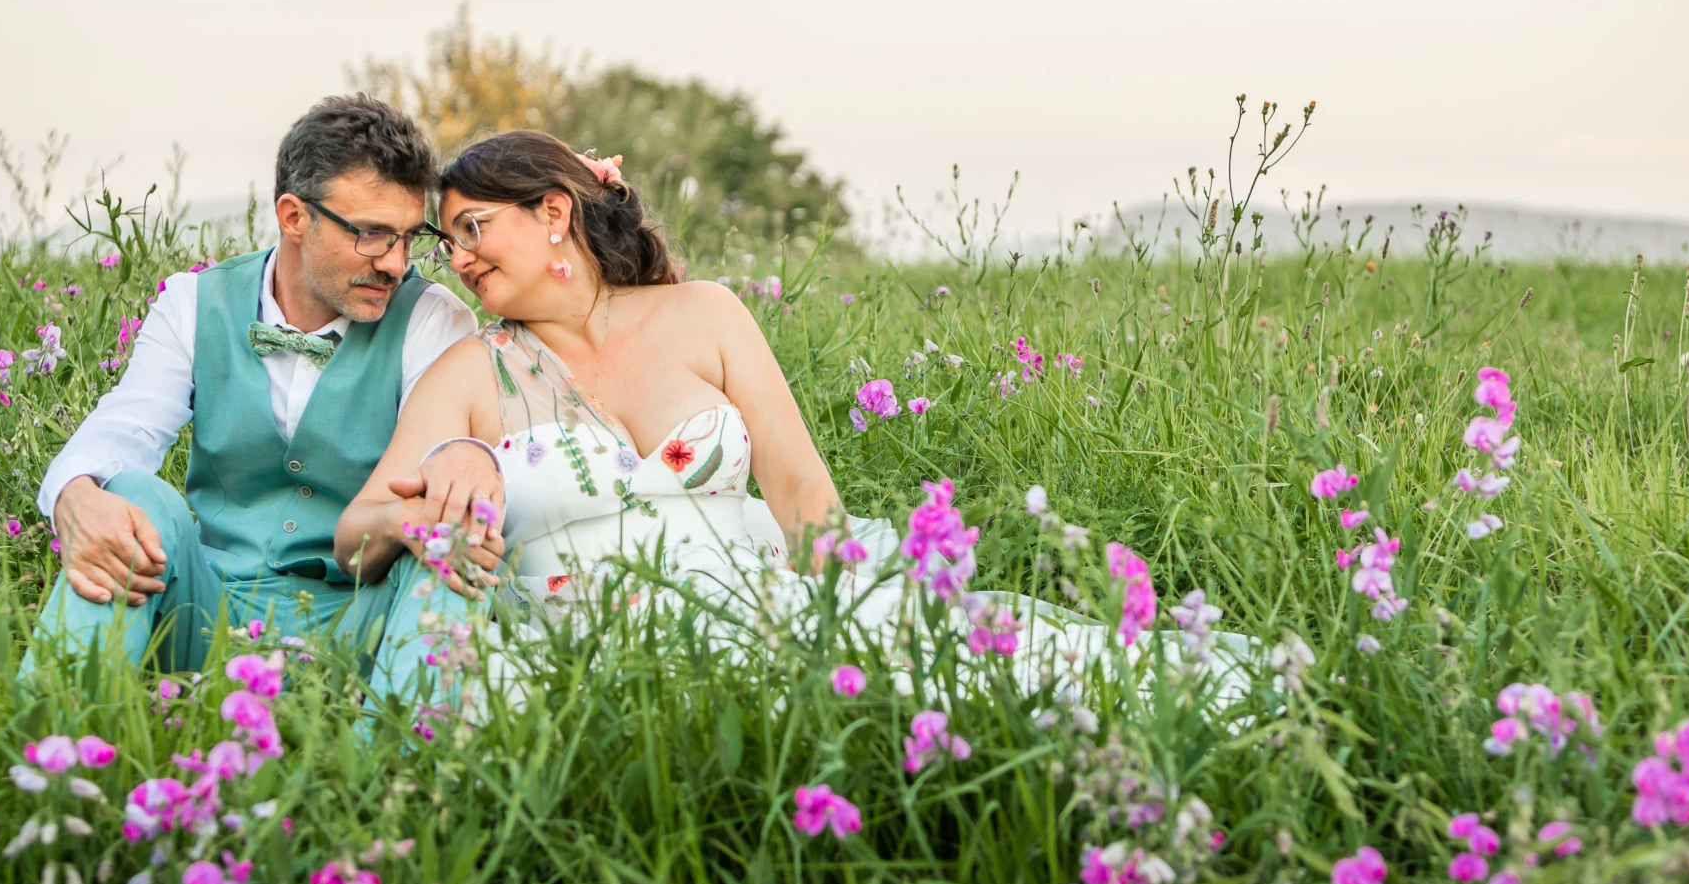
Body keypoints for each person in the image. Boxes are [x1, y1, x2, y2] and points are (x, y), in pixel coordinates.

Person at [337, 130, 1252, 706]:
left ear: (553, 214)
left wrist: (831, 629)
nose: (455, 259)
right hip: (598, 661)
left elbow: (807, 504)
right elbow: (355, 535)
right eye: (445, 239)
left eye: (471, 228)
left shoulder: (706, 315)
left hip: (769, 607)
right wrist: (429, 513)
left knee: (1017, 685)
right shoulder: (472, 371)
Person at [30, 95, 492, 696]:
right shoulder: (193, 303)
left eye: (409, 237)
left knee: (453, 546)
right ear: (294, 216)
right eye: (373, 235)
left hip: (363, 629)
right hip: (206, 617)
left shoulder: (434, 321)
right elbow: (128, 427)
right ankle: (49, 748)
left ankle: (399, 772)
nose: (397, 265)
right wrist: (73, 493)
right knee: (129, 492)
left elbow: (433, 487)